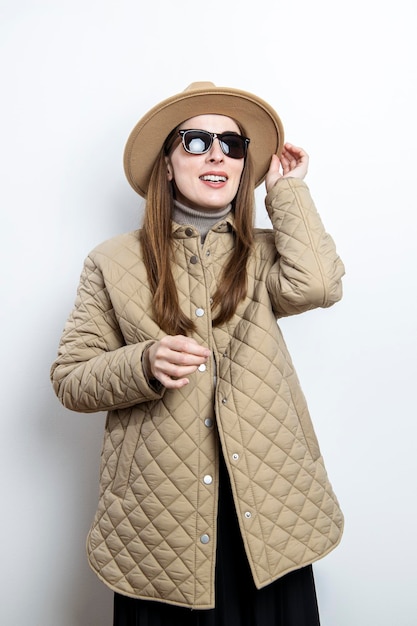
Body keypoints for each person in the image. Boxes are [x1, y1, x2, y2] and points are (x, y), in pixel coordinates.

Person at [51, 81, 345, 626]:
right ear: (165, 163)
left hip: (268, 512)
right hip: (160, 520)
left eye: (233, 146)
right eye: (195, 141)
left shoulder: (263, 252)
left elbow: (319, 286)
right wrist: (143, 364)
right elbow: (70, 378)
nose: (217, 154)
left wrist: (288, 193)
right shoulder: (113, 261)